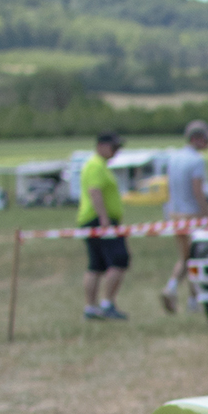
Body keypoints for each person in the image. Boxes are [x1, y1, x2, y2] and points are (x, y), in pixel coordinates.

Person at [161, 119, 208, 314]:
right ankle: (193, 299)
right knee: (196, 259)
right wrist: (207, 215)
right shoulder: (196, 160)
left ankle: (172, 288)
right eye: (207, 139)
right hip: (192, 215)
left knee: (185, 257)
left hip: (175, 214)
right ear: (197, 139)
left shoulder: (174, 157)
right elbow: (197, 191)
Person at [79, 131, 129, 321]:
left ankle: (91, 307)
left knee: (96, 265)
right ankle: (107, 303)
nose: (116, 152)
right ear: (101, 146)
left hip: (95, 219)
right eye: (113, 147)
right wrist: (104, 219)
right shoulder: (95, 165)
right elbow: (95, 192)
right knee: (119, 259)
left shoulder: (100, 165)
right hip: (99, 220)